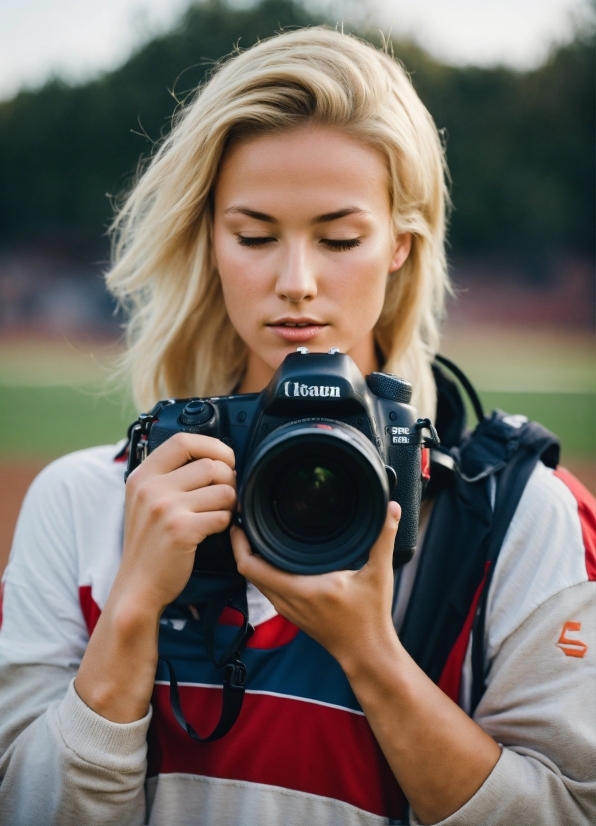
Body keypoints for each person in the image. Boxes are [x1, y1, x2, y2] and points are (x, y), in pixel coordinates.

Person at [0, 27, 594, 826]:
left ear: (400, 247)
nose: (296, 283)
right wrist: (134, 611)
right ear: (207, 240)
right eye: (253, 236)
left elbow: (562, 810)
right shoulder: (84, 502)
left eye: (340, 238)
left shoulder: (522, 515)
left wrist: (370, 655)